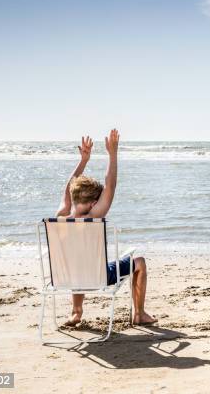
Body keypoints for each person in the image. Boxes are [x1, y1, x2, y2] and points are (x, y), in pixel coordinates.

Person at [56, 130, 157, 326]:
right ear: (94, 203)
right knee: (140, 262)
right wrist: (113, 154)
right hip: (99, 276)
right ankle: (140, 314)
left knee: (78, 262)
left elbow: (68, 189)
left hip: (67, 275)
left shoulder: (60, 217)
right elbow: (111, 185)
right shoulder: (94, 217)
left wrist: (83, 160)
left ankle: (76, 312)